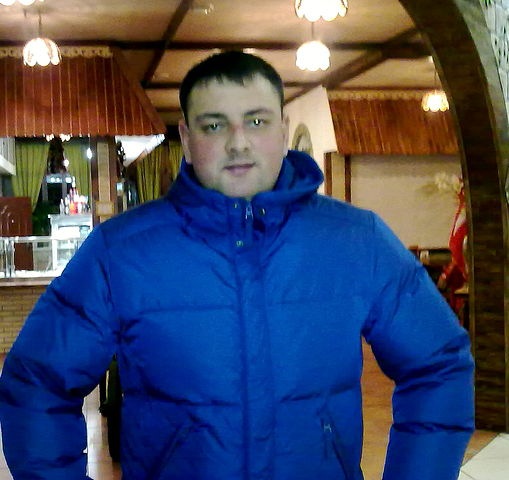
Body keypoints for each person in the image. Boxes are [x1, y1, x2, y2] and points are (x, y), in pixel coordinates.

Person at [0, 51, 474, 480]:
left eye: (256, 121)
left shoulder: (356, 240)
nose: (238, 143)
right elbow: (38, 384)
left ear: (283, 130)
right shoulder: (120, 252)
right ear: (186, 139)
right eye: (214, 126)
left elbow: (438, 365)